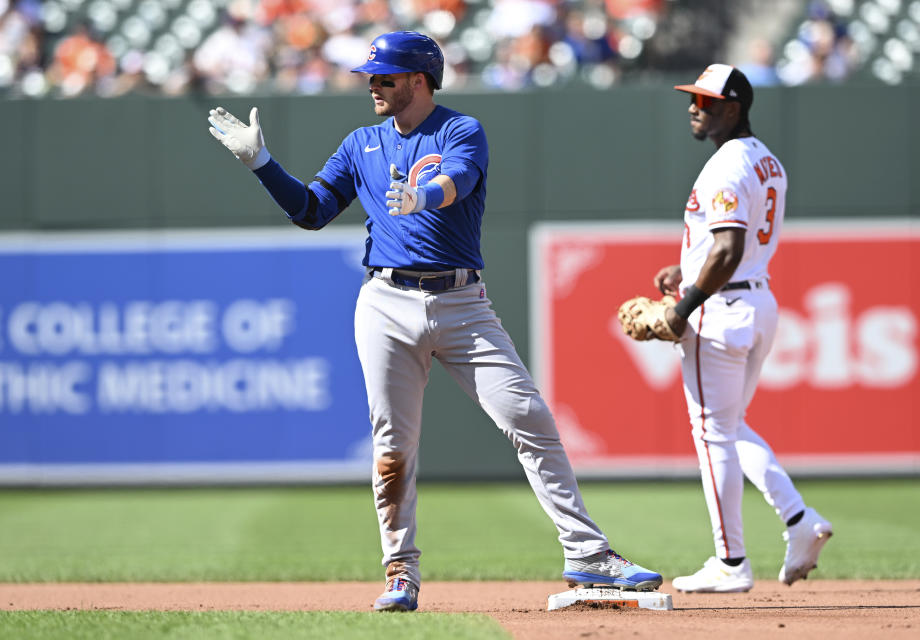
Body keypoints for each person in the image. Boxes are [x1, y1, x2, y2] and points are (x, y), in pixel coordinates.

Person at [206, 30, 662, 612]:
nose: (373, 85)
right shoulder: (360, 143)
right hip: (385, 303)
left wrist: (422, 197)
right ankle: (400, 572)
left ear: (418, 81)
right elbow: (312, 212)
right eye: (371, 76)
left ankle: (588, 556)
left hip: (462, 302)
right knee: (393, 445)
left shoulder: (458, 129)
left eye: (385, 76)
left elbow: (458, 180)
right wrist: (263, 164)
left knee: (527, 414)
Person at [652, 64, 833, 593]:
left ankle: (730, 561)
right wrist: (685, 268)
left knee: (711, 435)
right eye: (694, 99)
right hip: (759, 303)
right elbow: (735, 248)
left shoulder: (724, 167)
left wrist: (684, 304)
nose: (694, 107)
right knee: (730, 428)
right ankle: (800, 522)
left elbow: (728, 249)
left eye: (706, 102)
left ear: (733, 108)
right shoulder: (767, 160)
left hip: (722, 312)